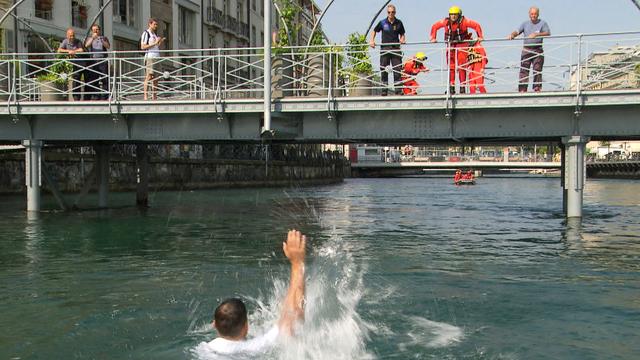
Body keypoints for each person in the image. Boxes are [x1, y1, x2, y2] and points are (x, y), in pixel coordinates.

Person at [197, 229, 306, 357]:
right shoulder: (256, 347)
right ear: (246, 327)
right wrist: (297, 263)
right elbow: (294, 313)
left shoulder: (204, 349)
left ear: (214, 325)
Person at [430, 6, 483, 95]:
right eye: (451, 14)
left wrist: (480, 36)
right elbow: (435, 26)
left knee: (462, 66)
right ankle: (451, 87)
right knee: (451, 66)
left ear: (459, 15)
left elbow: (476, 25)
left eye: (455, 14)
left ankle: (462, 87)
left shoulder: (465, 22)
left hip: (462, 44)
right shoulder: (445, 22)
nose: (453, 16)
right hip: (450, 45)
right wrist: (433, 38)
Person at [508, 7, 551, 92]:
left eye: (535, 14)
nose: (533, 15)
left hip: (537, 49)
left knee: (537, 69)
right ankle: (522, 89)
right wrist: (512, 35)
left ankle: (537, 88)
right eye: (532, 14)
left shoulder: (543, 23)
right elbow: (517, 31)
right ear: (529, 14)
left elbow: (548, 33)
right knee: (524, 70)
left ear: (538, 14)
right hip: (526, 49)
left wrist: (537, 34)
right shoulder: (525, 23)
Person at [370, 4, 406, 96]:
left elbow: (402, 34)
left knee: (397, 69)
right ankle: (384, 90)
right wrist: (372, 41)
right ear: (387, 13)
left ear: (395, 13)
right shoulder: (382, 22)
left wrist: (402, 39)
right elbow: (374, 30)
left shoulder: (399, 23)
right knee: (383, 69)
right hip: (385, 48)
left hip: (395, 49)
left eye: (392, 12)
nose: (391, 14)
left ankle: (398, 90)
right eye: (389, 12)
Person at [141, 18, 165, 100]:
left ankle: (154, 96)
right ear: (150, 24)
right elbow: (143, 46)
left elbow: (155, 46)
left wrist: (159, 42)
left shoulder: (154, 34)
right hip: (150, 57)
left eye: (156, 24)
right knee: (149, 76)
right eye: (154, 24)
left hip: (157, 57)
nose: (156, 26)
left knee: (156, 77)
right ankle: (145, 96)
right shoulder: (146, 33)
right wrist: (155, 43)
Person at [57, 28, 85, 101]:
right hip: (72, 63)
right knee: (72, 79)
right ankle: (72, 97)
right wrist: (68, 51)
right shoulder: (65, 41)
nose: (72, 37)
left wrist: (73, 51)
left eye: (73, 36)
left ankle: (82, 97)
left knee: (81, 79)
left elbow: (81, 50)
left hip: (81, 62)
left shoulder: (78, 41)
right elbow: (59, 50)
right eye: (70, 36)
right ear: (67, 36)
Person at [84, 24, 110, 100]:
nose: (95, 31)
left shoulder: (104, 38)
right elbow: (86, 45)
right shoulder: (90, 38)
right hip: (93, 61)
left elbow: (108, 46)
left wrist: (101, 39)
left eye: (97, 29)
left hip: (103, 61)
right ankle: (96, 95)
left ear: (99, 30)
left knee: (104, 79)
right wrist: (92, 38)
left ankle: (105, 96)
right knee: (94, 79)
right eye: (94, 30)